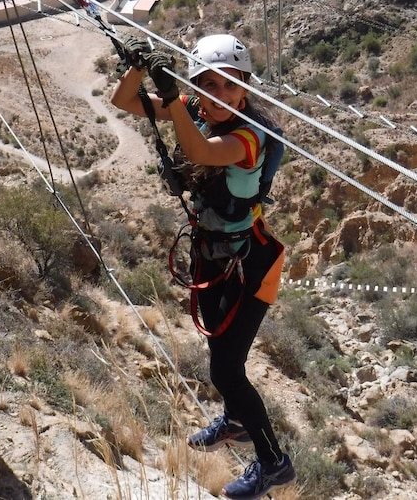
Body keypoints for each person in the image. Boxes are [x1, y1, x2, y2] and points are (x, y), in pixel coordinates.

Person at [110, 33, 296, 500]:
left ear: (246, 90)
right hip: (216, 253)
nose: (221, 96)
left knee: (226, 371)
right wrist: (138, 66)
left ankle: (274, 462)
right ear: (195, 87)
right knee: (215, 338)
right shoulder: (194, 108)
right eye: (209, 85)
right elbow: (123, 98)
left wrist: (175, 99)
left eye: (231, 86)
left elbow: (202, 153)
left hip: (250, 265)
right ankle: (236, 420)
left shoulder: (247, 138)